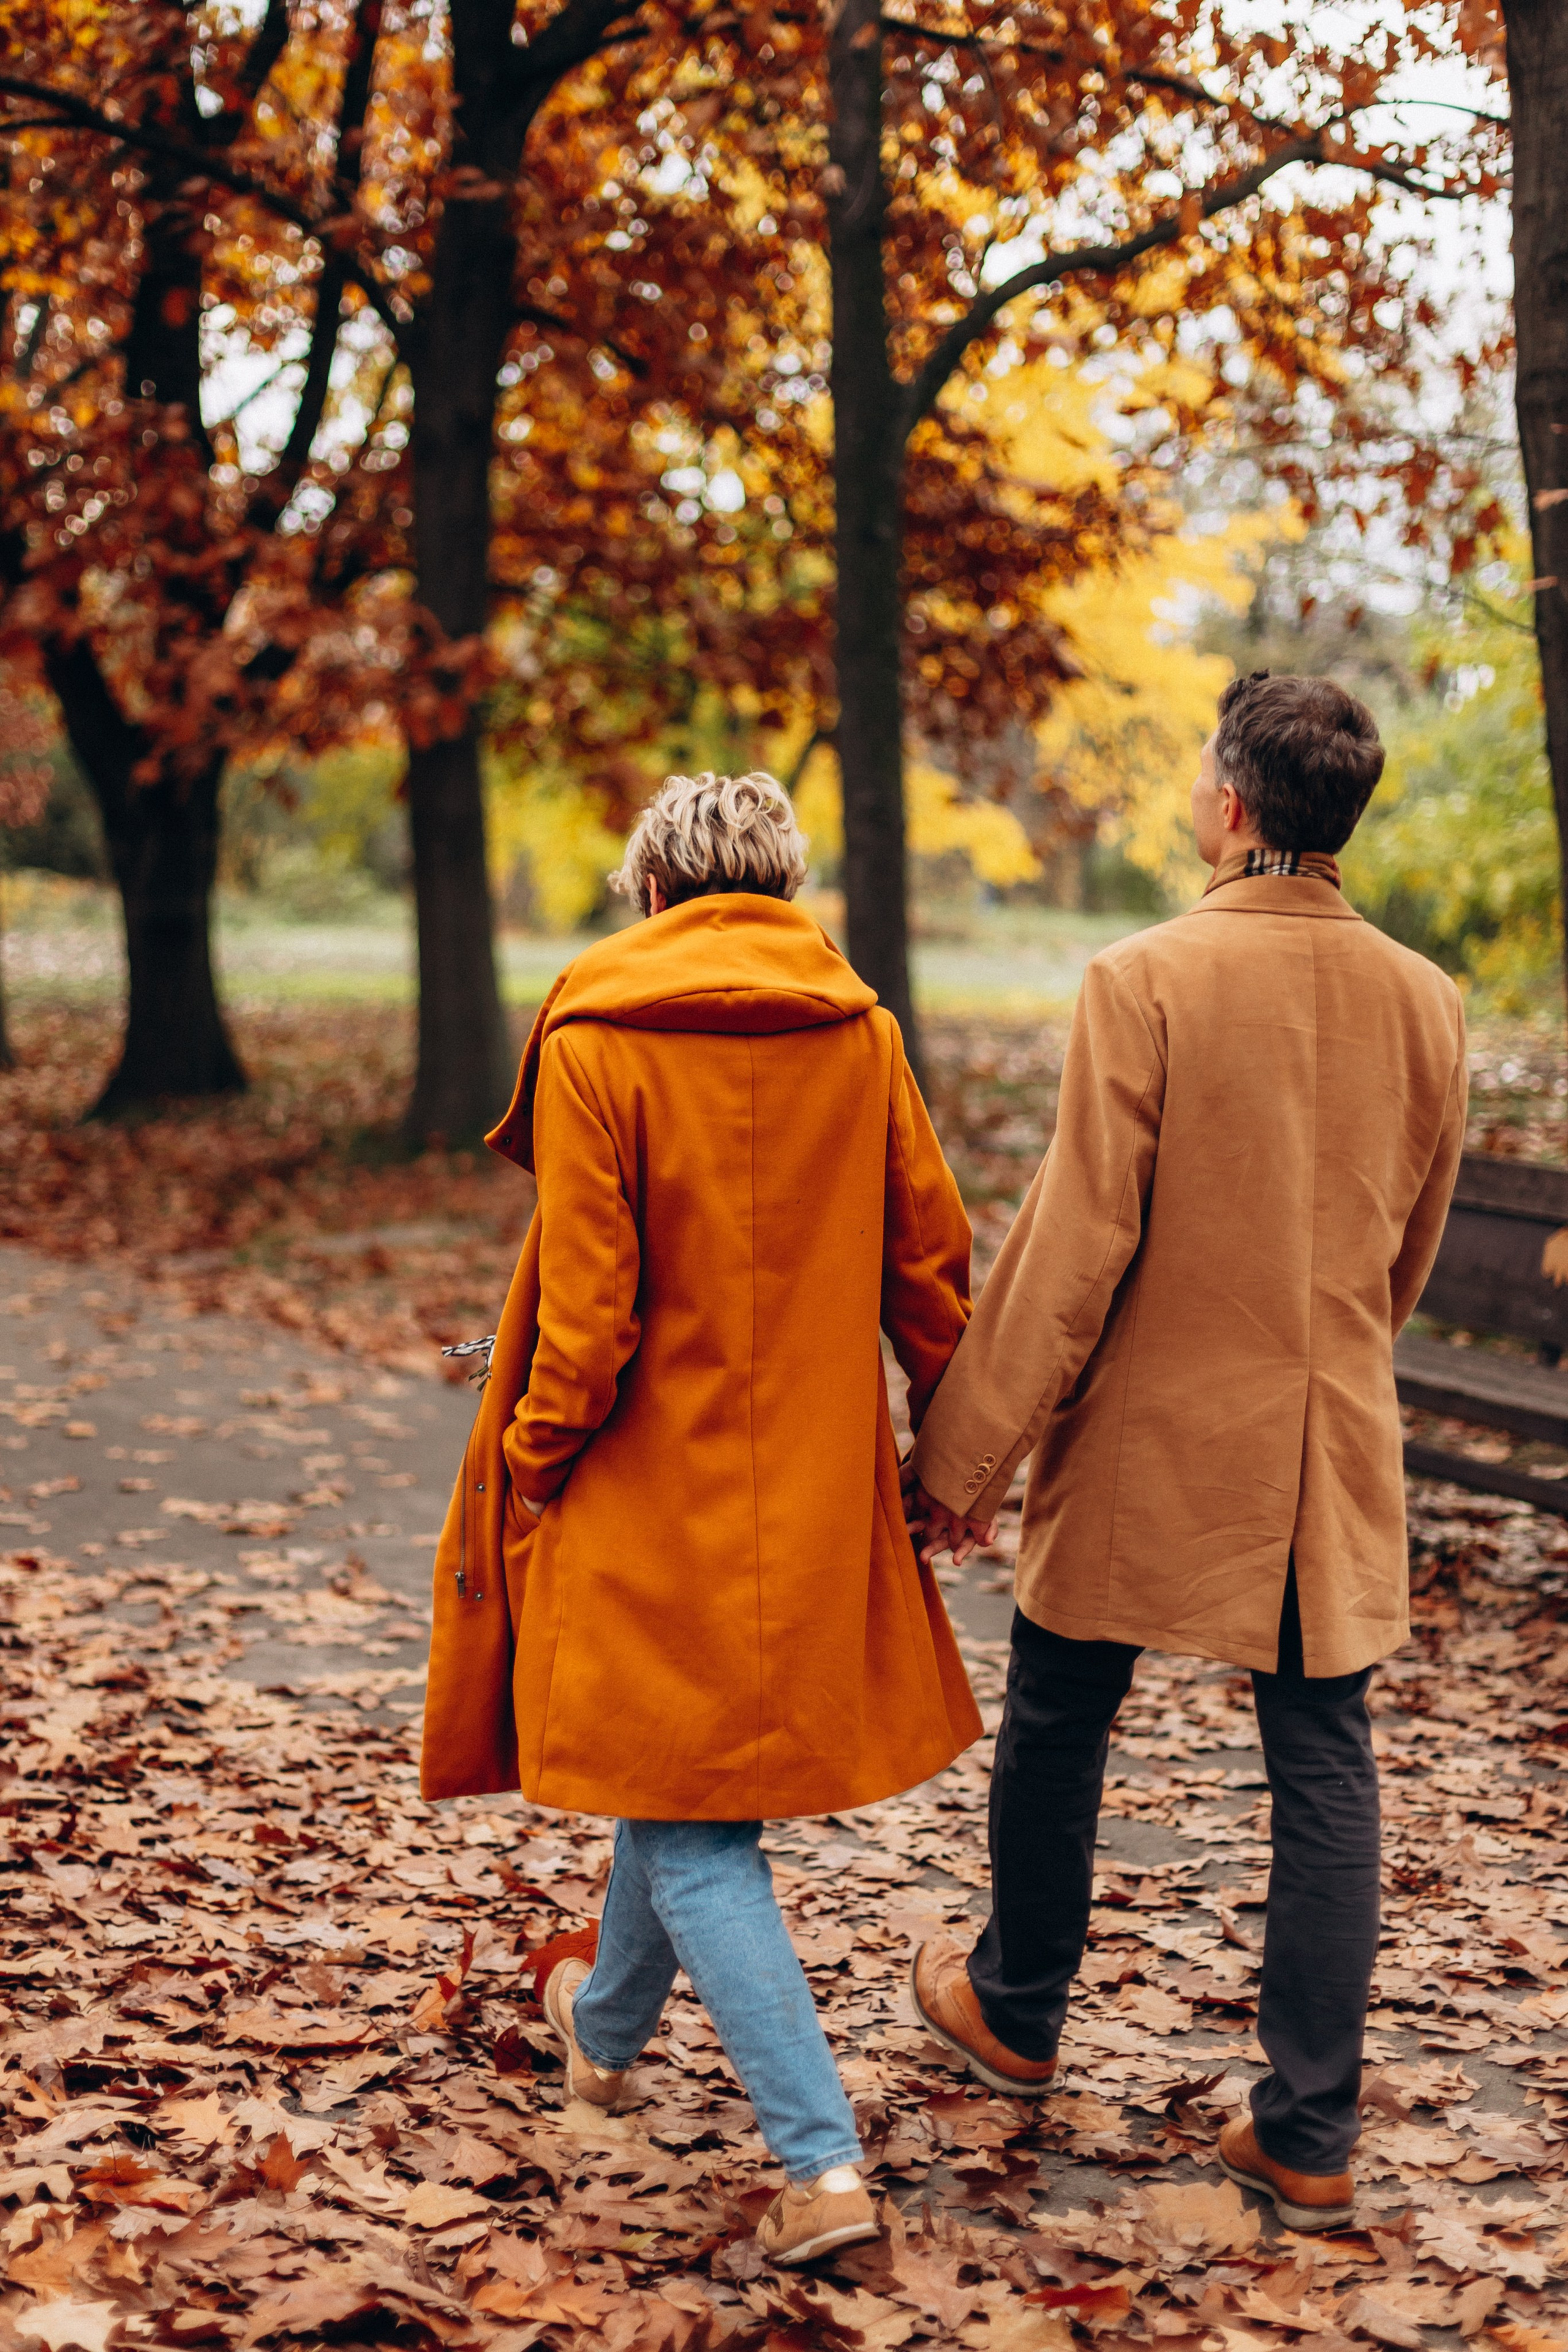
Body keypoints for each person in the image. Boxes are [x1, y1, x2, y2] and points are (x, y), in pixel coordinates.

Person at [904, 673, 1467, 2234]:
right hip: (1319, 1442)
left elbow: (1075, 1243)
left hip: (1151, 1433)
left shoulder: (1140, 976)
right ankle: (1303, 2131)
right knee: (1322, 1760)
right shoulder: (1425, 1002)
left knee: (1061, 1708)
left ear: (1229, 803)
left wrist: (961, 1461)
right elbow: (1404, 1256)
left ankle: (1014, 2010)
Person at [420, 771, 981, 2266]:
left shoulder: (595, 1038)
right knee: (674, 1777)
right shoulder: (856, 1033)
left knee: (693, 1826)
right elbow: (930, 1265)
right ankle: (601, 2035)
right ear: (776, 892)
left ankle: (823, 2168)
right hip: (804, 1493)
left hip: (636, 1486)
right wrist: (956, 1455)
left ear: (653, 893)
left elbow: (590, 1318)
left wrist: (532, 1455)